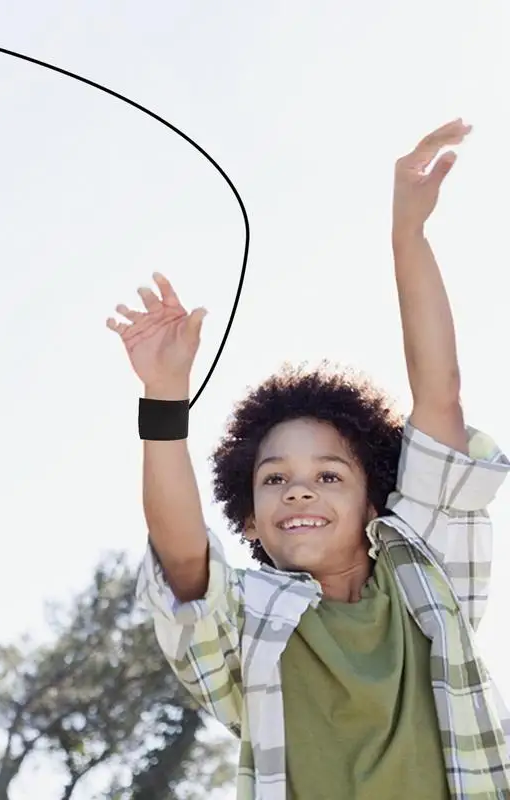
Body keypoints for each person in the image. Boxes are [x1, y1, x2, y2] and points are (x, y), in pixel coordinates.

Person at [106, 119, 510, 800]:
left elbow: (439, 393)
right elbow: (183, 561)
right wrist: (164, 399)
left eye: (329, 475)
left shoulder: (424, 577)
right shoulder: (253, 622)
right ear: (252, 521)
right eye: (275, 479)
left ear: (374, 502)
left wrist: (407, 233)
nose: (299, 491)